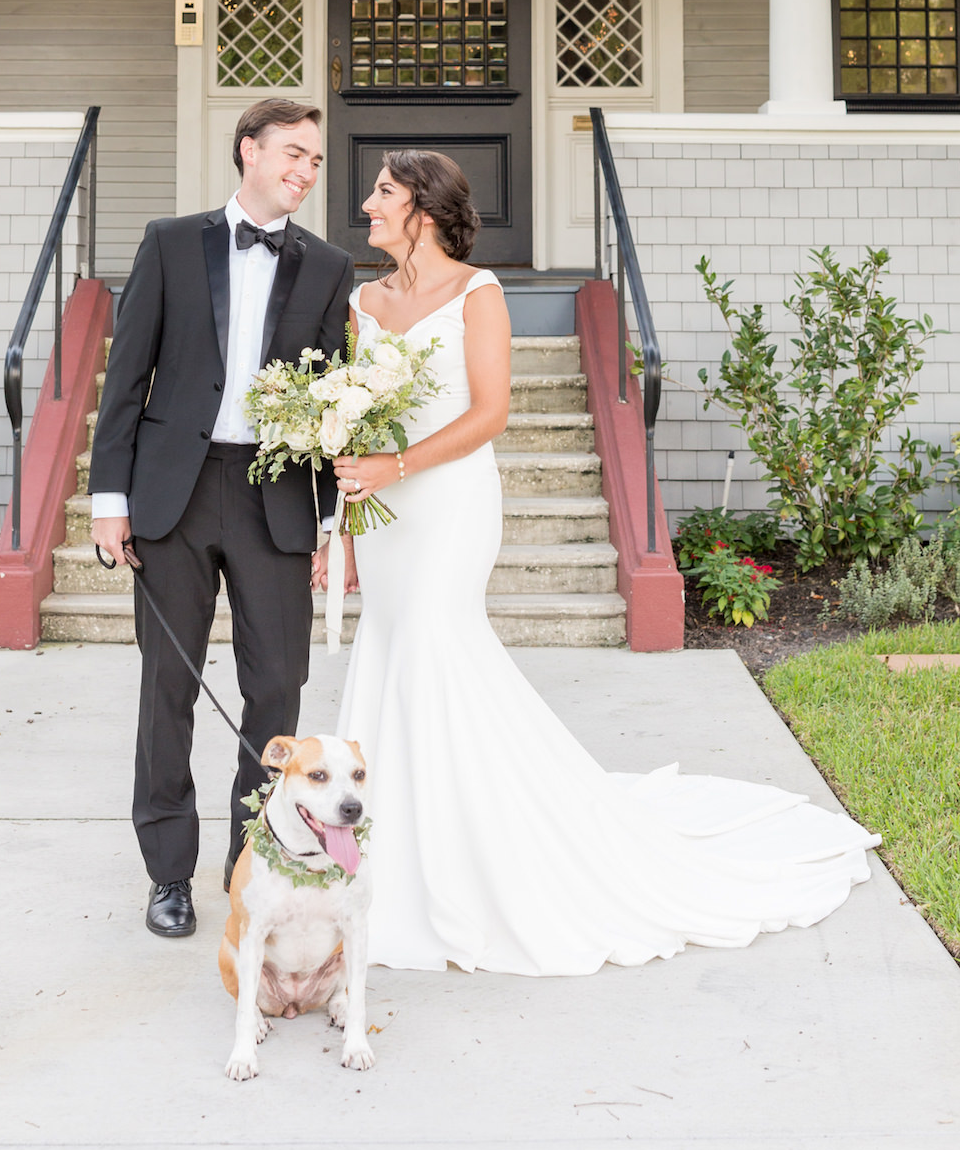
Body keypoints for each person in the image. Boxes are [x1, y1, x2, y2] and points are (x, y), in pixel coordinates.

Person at [331, 147, 877, 976]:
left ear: (427, 210)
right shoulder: (361, 302)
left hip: (446, 506)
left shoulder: (479, 294)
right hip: (380, 512)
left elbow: (489, 414)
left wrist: (396, 467)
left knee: (438, 649)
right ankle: (387, 846)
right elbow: (351, 415)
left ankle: (466, 855)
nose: (366, 203)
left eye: (383, 192)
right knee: (392, 646)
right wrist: (343, 517)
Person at [91, 97, 355, 940]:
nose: (305, 171)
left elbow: (330, 401)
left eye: (315, 161)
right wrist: (110, 499)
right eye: (292, 154)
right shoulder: (172, 242)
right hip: (173, 492)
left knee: (276, 690)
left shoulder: (327, 266)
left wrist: (326, 524)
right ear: (248, 151)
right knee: (168, 687)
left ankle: (258, 862)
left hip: (273, 494)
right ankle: (169, 873)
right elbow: (127, 374)